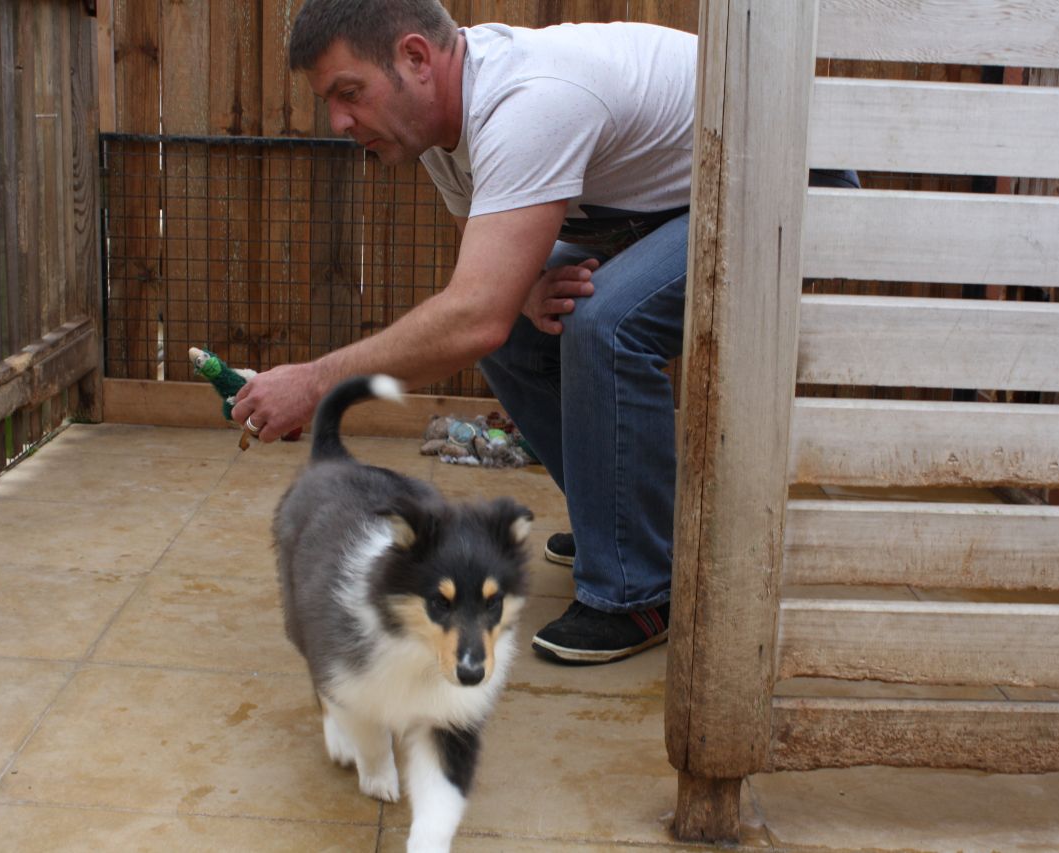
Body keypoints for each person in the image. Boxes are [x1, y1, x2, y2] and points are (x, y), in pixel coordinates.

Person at [233, 0, 857, 665]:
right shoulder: (444, 134)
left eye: (347, 93)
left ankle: (640, 589)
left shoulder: (528, 104)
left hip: (794, 189)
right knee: (521, 330)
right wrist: (522, 289)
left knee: (603, 323)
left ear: (416, 57)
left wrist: (313, 383)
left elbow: (472, 314)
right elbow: (491, 285)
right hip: (678, 202)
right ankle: (623, 529)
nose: (337, 121)